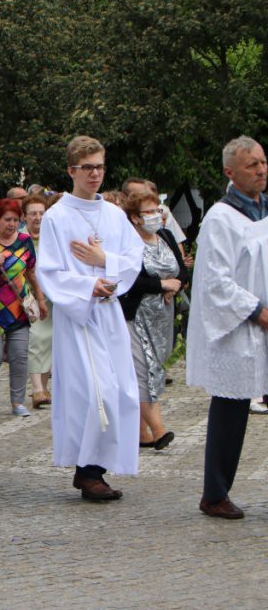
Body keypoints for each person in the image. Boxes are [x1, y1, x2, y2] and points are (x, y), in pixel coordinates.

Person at [36, 135, 144, 501]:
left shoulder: (113, 215)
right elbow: (49, 271)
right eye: (88, 168)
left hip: (109, 314)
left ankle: (95, 468)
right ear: (71, 171)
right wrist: (87, 286)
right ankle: (88, 472)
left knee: (123, 392)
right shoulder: (56, 217)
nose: (95, 174)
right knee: (94, 392)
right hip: (79, 316)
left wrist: (105, 263)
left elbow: (133, 258)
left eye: (100, 166)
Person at [188, 135, 268, 520]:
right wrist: (256, 310)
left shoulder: (264, 210)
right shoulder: (221, 217)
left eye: (263, 162)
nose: (261, 169)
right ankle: (214, 492)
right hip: (240, 327)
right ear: (230, 172)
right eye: (252, 165)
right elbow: (216, 281)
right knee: (232, 408)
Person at [119, 190, 185, 450]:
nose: (156, 216)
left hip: (164, 315)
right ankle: (158, 429)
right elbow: (129, 279)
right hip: (136, 315)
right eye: (149, 212)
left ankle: (140, 430)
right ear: (135, 218)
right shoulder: (129, 243)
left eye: (158, 210)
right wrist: (161, 284)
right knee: (142, 370)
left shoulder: (166, 236)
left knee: (157, 367)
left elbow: (181, 269)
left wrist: (174, 286)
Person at [0, 198, 48, 417]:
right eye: (7, 219)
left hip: (19, 307)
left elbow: (31, 272)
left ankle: (17, 401)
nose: (12, 224)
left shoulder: (25, 241)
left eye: (16, 220)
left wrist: (40, 300)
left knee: (20, 356)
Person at [24, 194, 53, 409]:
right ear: (25, 216)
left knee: (49, 341)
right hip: (29, 297)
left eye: (41, 213)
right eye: (33, 213)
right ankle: (36, 389)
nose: (38, 218)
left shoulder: (53, 238)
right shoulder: (21, 239)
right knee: (35, 340)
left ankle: (43, 388)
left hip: (53, 296)